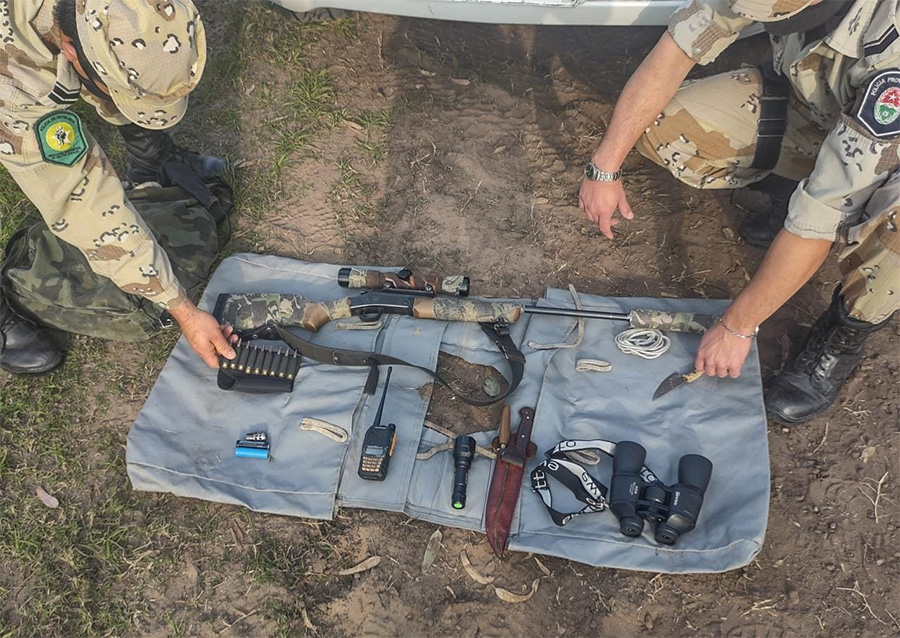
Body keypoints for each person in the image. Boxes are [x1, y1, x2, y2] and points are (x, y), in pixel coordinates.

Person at [579, 0, 898, 424]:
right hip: (821, 106)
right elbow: (674, 51)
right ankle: (789, 192)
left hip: (889, 152)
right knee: (672, 127)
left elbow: (819, 218)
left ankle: (845, 331)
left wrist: (736, 327)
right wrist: (604, 168)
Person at [0, 0, 236, 375]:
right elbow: (80, 199)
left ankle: (150, 158)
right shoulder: (14, 79)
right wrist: (182, 309)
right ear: (70, 51)